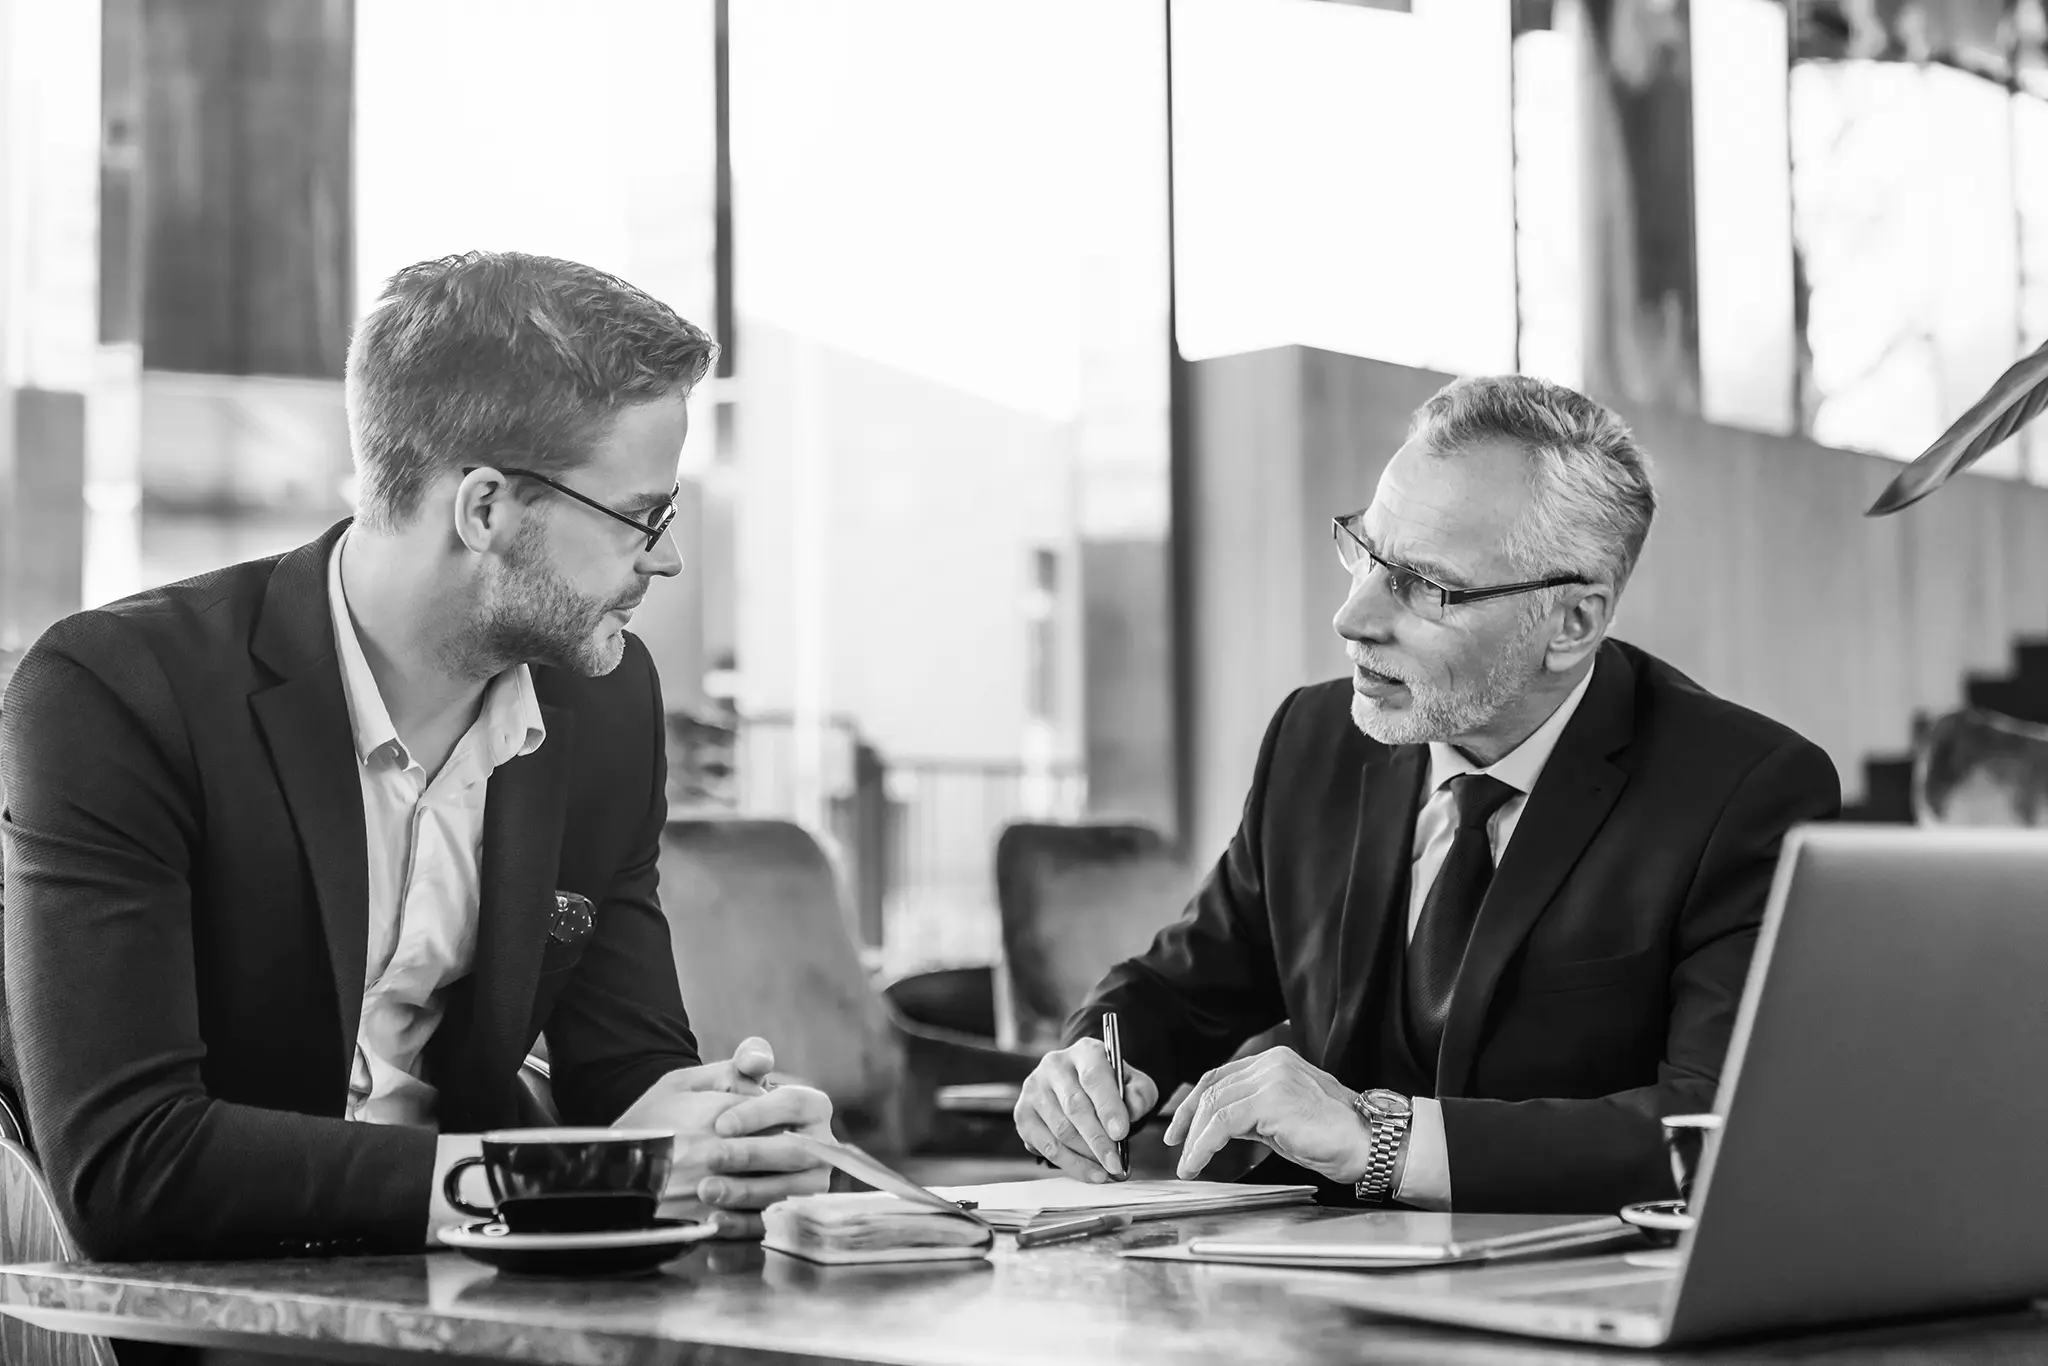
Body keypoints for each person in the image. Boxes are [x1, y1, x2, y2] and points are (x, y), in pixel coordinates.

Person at [0, 251, 833, 1262]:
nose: (666, 556)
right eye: (641, 517)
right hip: (192, 1296)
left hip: (474, 1280)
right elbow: (128, 1163)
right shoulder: (117, 693)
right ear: (484, 510)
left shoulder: (606, 701)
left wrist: (727, 1136)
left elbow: (625, 1071)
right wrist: (534, 1181)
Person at [1014, 374, 1840, 1214]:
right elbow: (1184, 987)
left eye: (1423, 585)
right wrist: (1099, 1062)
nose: (1353, 617)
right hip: (1305, 1275)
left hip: (1565, 1281)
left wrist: (1385, 1141)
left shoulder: (1744, 792)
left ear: (1572, 624)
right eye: (1366, 553)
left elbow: (1715, 1124)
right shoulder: (1314, 739)